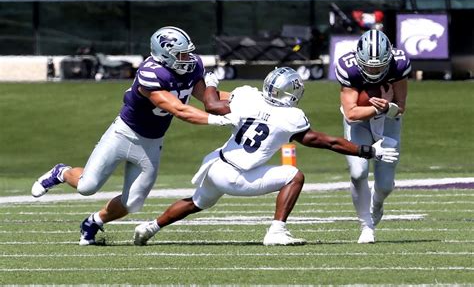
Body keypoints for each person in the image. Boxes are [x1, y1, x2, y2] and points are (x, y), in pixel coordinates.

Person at [133, 67, 399, 246]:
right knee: (294, 175)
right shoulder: (290, 117)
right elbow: (325, 142)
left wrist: (211, 84)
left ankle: (150, 227)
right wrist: (368, 150)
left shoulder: (248, 97)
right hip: (239, 177)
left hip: (216, 165)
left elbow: (212, 105)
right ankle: (276, 230)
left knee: (197, 202)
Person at [31, 26, 233, 246]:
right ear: (164, 54)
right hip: (122, 135)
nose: (188, 59)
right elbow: (179, 110)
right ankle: (61, 172)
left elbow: (207, 98)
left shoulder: (192, 67)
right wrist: (220, 120)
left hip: (151, 144)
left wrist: (244, 99)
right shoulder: (151, 72)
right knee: (86, 187)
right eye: (181, 55)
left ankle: (93, 222)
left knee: (133, 203)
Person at [335, 29, 411, 243]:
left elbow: (401, 108)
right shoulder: (348, 68)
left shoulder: (400, 63)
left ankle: (376, 204)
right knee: (358, 172)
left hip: (388, 121)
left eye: (378, 66)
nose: (373, 69)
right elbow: (351, 113)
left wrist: (388, 107)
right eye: (369, 65)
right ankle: (366, 225)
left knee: (385, 184)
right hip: (358, 122)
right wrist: (378, 109)